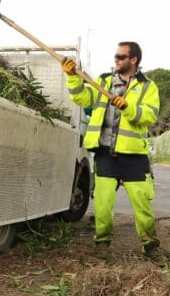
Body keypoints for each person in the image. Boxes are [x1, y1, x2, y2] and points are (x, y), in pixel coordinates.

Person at [61, 41, 160, 255]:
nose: (115, 59)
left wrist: (128, 107)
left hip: (134, 156)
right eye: (115, 56)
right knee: (103, 205)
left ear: (133, 60)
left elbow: (150, 115)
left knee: (142, 206)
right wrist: (72, 77)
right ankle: (102, 243)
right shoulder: (104, 81)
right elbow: (82, 97)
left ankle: (150, 246)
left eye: (120, 57)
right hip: (105, 153)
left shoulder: (147, 86)